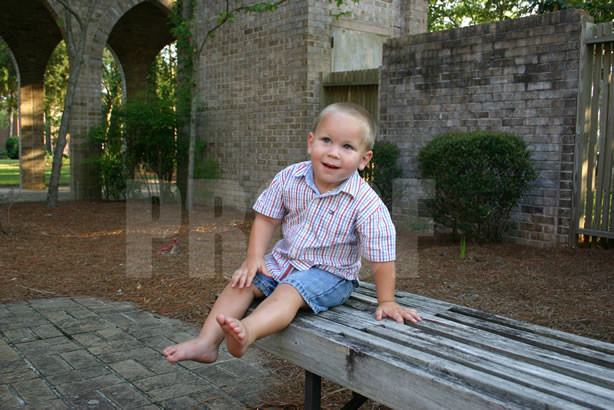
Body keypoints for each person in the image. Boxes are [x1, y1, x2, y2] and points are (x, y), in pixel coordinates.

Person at [163, 102, 421, 363]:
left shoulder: (366, 204)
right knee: (242, 282)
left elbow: (381, 257)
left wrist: (386, 301)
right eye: (326, 140)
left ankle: (247, 332)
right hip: (284, 261)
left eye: (347, 147)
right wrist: (254, 258)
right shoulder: (290, 177)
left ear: (364, 159)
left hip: (331, 275)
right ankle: (206, 343)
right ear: (311, 142)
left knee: (289, 290)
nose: (333, 153)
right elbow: (266, 219)